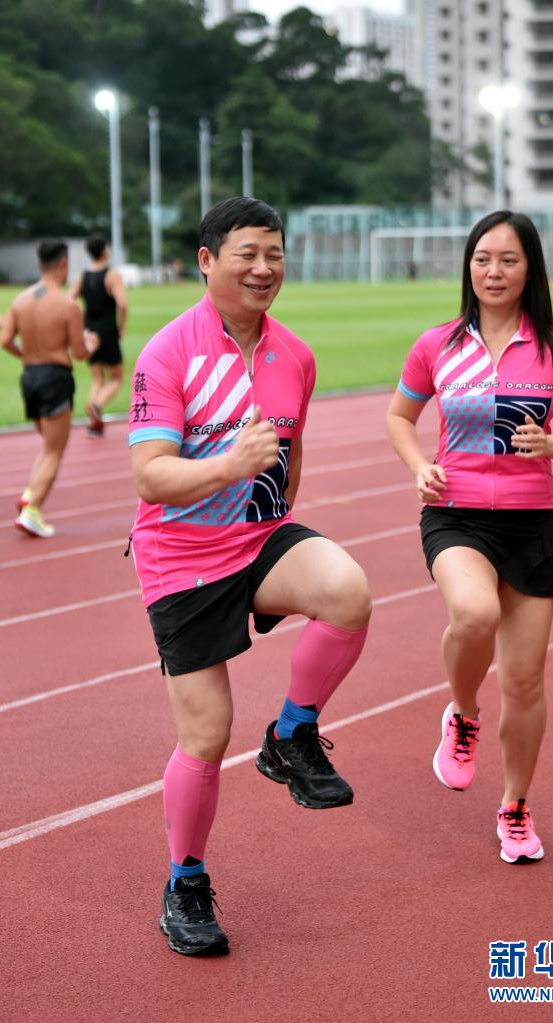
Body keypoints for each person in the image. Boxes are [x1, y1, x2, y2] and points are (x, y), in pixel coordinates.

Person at [127, 197, 372, 956]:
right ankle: (185, 881)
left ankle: (292, 735)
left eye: (275, 254)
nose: (264, 268)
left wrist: (269, 504)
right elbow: (150, 475)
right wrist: (228, 466)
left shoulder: (294, 354)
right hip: (182, 559)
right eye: (247, 254)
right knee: (206, 735)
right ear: (207, 261)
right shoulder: (167, 353)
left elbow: (290, 458)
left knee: (347, 591)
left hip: (259, 537)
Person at [386, 210, 553, 865]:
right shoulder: (438, 345)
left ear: (529, 268)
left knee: (526, 682)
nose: (493, 271)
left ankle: (515, 807)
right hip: (456, 513)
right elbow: (399, 416)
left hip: (532, 520)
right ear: (468, 267)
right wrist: (418, 466)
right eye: (482, 259)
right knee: (474, 613)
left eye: (507, 260)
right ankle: (462, 712)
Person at [0, 240, 98, 537]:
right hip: (55, 377)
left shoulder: (20, 300)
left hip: (29, 377)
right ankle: (32, 510)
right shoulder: (68, 305)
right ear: (64, 264)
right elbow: (79, 354)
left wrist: (28, 356)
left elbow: (5, 341)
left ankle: (31, 494)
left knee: (48, 447)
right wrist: (91, 343)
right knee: (55, 450)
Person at [70, 233, 127, 435]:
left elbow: (69, 300)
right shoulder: (112, 275)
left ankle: (93, 421)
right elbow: (122, 304)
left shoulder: (82, 276)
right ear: (104, 251)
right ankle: (96, 406)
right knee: (117, 378)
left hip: (89, 332)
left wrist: (81, 323)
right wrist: (121, 327)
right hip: (107, 330)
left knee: (97, 378)